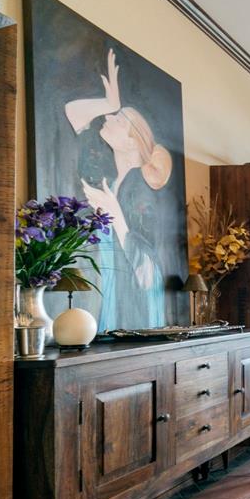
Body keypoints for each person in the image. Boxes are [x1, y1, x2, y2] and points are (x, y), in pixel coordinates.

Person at [64, 48, 170, 329]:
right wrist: (109, 102)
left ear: (133, 142)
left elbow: (147, 271)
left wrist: (115, 214)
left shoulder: (140, 187)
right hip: (112, 296)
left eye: (118, 118)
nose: (108, 118)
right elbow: (71, 113)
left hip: (135, 302)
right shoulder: (109, 182)